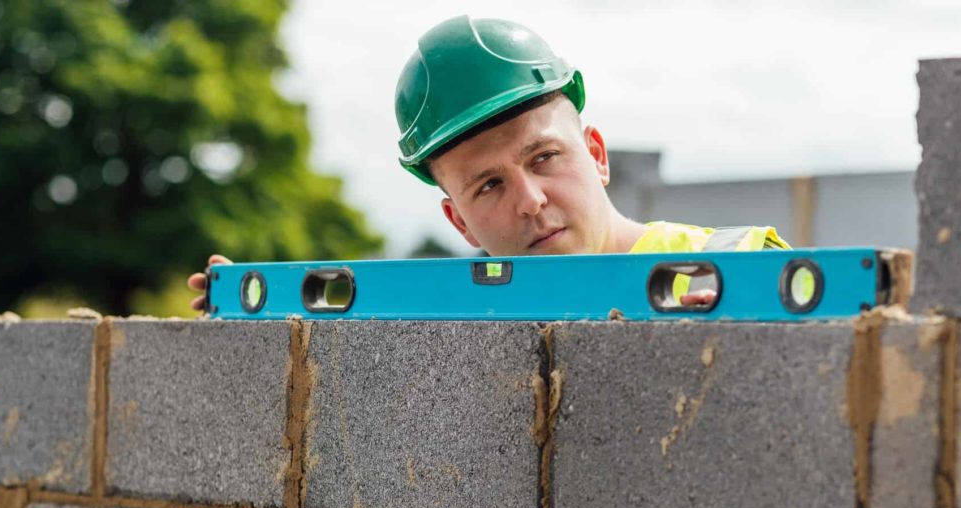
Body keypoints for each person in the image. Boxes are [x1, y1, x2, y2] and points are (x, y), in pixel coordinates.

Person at [188, 15, 788, 311]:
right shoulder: (462, 322)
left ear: (597, 155)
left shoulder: (743, 270)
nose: (529, 199)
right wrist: (257, 309)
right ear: (461, 224)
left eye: (544, 157)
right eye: (489, 185)